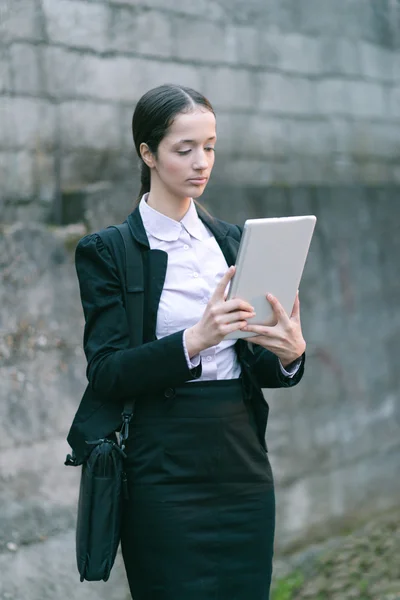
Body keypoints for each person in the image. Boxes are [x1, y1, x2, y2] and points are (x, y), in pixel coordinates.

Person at [73, 84, 306, 600]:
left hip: (241, 457)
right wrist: (194, 340)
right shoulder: (109, 251)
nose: (202, 162)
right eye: (185, 149)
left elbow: (256, 363)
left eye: (210, 146)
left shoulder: (232, 241)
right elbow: (107, 372)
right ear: (147, 153)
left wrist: (289, 355)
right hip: (161, 464)